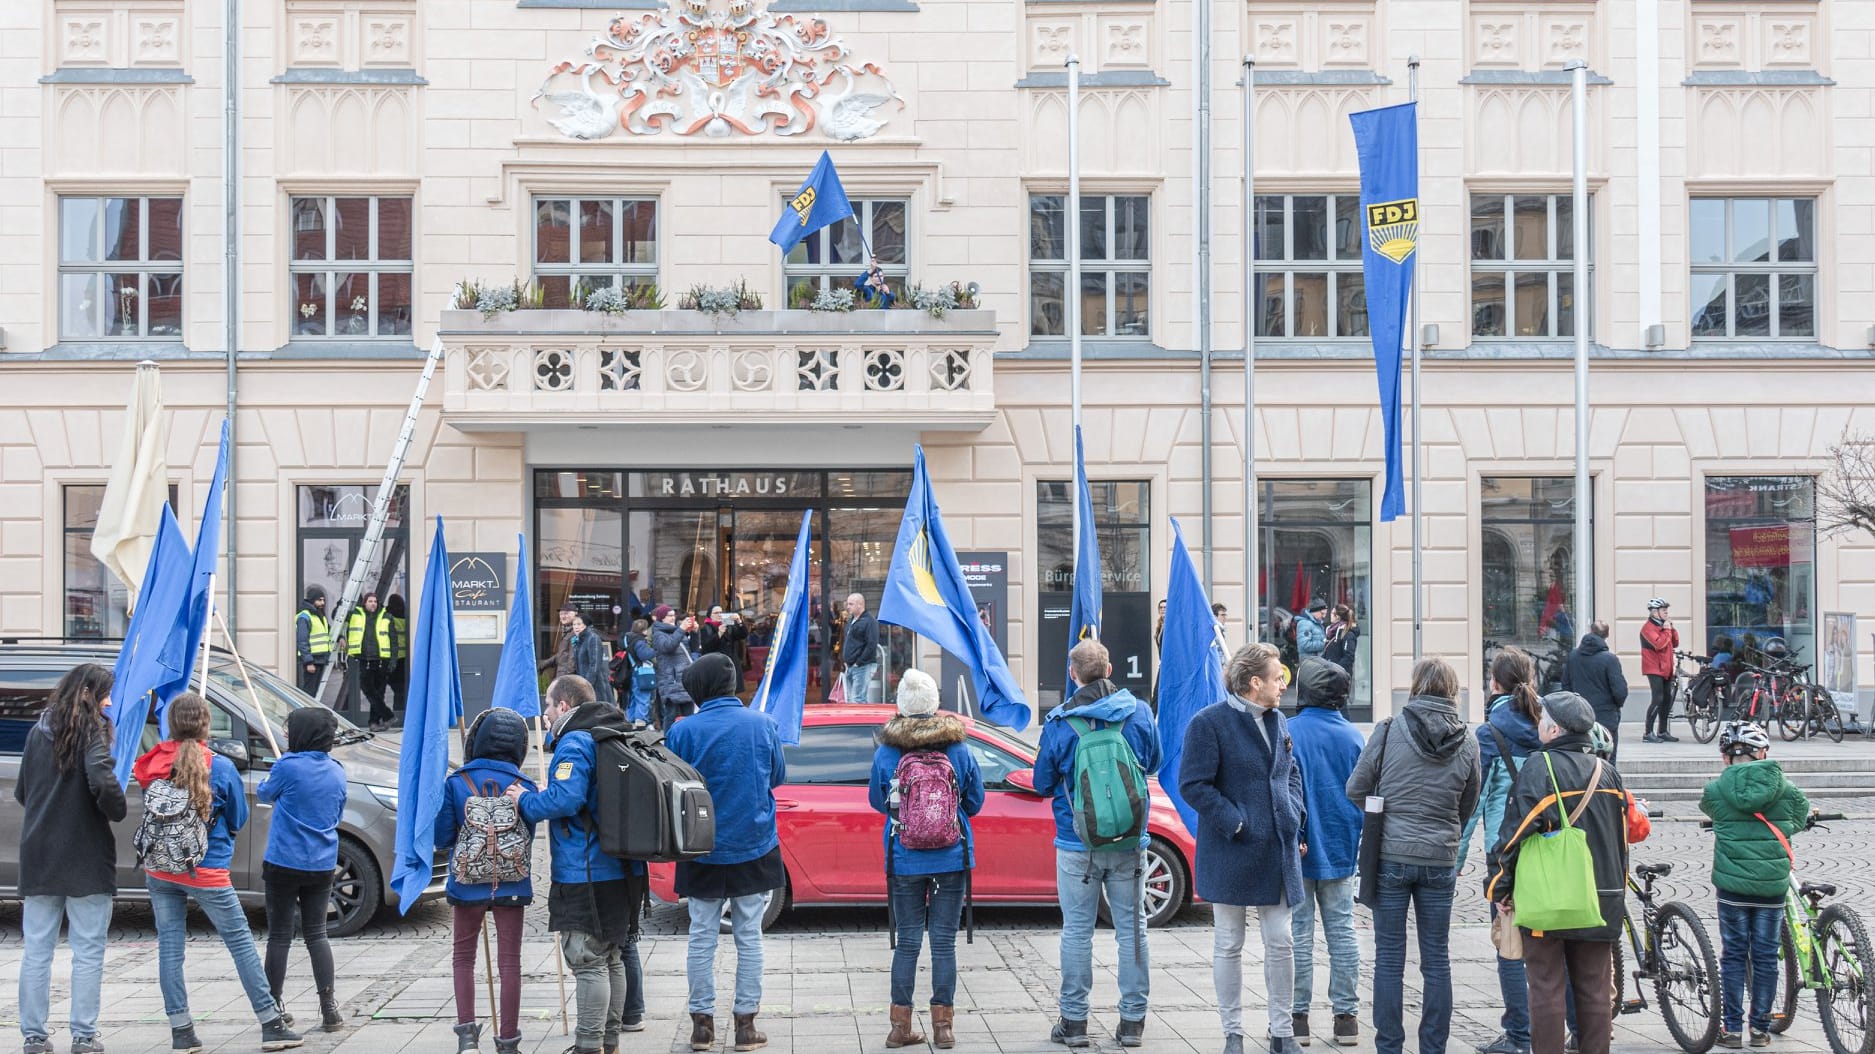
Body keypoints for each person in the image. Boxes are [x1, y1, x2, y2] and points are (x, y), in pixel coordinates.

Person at [136, 692, 302, 1052]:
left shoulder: (151, 763)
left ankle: (182, 1032)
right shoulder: (220, 766)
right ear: (206, 725)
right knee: (239, 943)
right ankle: (271, 1023)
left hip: (160, 867)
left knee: (170, 948)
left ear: (171, 725)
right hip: (207, 868)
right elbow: (239, 818)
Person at [1344, 657, 1480, 1054]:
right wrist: (1445, 827)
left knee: (1388, 957)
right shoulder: (1468, 740)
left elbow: (1356, 788)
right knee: (1436, 958)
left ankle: (1389, 1046)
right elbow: (1468, 802)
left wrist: (1384, 809)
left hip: (1390, 855)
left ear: (1416, 687)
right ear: (1453, 692)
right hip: (1440, 858)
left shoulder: (1388, 731)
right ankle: (1433, 1047)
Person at [1032, 638, 1162, 1049]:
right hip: (1129, 841)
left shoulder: (1058, 722)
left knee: (1077, 932)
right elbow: (1155, 762)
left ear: (1073, 676)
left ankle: (1073, 1024)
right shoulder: (1138, 712)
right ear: (1109, 670)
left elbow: (1040, 783)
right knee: (1133, 929)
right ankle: (1132, 1024)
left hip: (1076, 843)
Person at [1487, 692, 1633, 1054]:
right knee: (1595, 988)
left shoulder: (1541, 768)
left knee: (1547, 986)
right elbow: (1622, 841)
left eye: (1542, 718)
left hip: (1551, 899)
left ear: (1554, 729)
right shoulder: (1608, 771)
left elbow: (1512, 837)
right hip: (1602, 899)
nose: (1538, 723)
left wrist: (1499, 889)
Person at [1180, 641, 1307, 1054]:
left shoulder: (1280, 721)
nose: (1283, 685)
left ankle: (1282, 1033)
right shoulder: (1208, 723)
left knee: (1281, 941)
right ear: (1255, 683)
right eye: (1278, 678)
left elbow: (1290, 774)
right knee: (1229, 943)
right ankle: (1232, 1034)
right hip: (1231, 849)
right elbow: (1193, 785)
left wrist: (1294, 814)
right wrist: (1235, 821)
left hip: (1277, 849)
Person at [513, 676, 646, 1054]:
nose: (545, 713)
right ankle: (609, 1041)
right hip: (623, 867)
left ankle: (588, 1045)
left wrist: (525, 800)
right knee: (612, 956)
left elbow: (566, 801)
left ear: (565, 707)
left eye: (549, 706)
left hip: (586, 870)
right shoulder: (613, 732)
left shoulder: (575, 741)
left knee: (587, 960)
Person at [667, 653, 787, 1054]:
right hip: (753, 842)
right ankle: (746, 1026)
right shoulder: (762, 724)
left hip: (700, 846)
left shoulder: (683, 730)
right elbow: (777, 776)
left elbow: (673, 785)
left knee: (701, 935)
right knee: (749, 935)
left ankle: (702, 1026)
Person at [867, 669, 985, 1050]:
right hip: (951, 856)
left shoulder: (888, 750)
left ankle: (900, 1028)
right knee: (944, 943)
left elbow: (875, 801)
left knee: (907, 943)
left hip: (904, 856)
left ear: (901, 704)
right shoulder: (958, 747)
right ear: (935, 704)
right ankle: (943, 1028)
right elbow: (976, 801)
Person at [15, 664, 126, 1054]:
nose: (109, 701)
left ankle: (33, 1035)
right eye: (105, 694)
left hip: (40, 851)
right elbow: (100, 777)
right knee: (89, 949)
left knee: (37, 949)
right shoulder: (92, 733)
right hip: (86, 853)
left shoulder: (37, 731)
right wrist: (116, 808)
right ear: (87, 694)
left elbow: (22, 792)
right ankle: (83, 1035)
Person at [1457, 649, 1547, 1054]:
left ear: (1494, 683)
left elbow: (1472, 804)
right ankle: (1579, 1027)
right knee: (1559, 941)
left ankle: (1519, 1035)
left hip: (1507, 852)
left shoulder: (1489, 732)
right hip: (1555, 848)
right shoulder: (1552, 724)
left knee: (1510, 944)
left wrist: (1455, 860)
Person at [1700, 722, 1810, 1049]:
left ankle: (1731, 1029)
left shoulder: (1716, 790)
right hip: (1771, 888)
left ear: (1724, 757)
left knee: (1734, 955)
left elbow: (1708, 810)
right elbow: (1800, 817)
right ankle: (1760, 1029)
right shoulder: (1785, 788)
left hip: (1731, 888)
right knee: (1764, 956)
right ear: (1763, 753)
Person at [438, 707, 539, 1054]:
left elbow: (441, 837)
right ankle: (508, 1041)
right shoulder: (525, 786)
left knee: (462, 958)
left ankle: (467, 1038)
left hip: (467, 883)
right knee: (510, 962)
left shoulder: (456, 781)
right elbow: (529, 835)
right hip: (513, 882)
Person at [1286, 657, 1365, 1048]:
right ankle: (1346, 1018)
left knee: (1299, 932)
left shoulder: (1287, 732)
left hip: (1298, 848)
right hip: (1340, 845)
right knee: (1342, 930)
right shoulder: (1353, 737)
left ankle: (1298, 1017)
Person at [257, 706, 346, 1034]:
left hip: (283, 861)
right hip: (321, 862)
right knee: (317, 934)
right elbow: (337, 811)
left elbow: (266, 792)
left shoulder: (287, 766)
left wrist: (276, 771)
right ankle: (329, 1008)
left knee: (280, 936)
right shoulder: (337, 771)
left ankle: (274, 1005)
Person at [1561, 620, 1630, 759]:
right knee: (1607, 761)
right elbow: (1620, 691)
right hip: (1606, 716)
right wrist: (1615, 706)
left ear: (1590, 631)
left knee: (1580, 759)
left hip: (1578, 716)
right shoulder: (1610, 659)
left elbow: (1566, 685)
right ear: (1607, 635)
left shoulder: (1573, 656)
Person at [345, 592, 401, 730]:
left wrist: (393, 661)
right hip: (364, 659)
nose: (373, 604)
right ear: (364, 603)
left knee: (379, 693)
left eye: (375, 601)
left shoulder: (386, 617)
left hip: (382, 660)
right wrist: (343, 601)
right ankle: (387, 715)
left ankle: (374, 723)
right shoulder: (355, 615)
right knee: (368, 689)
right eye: (370, 601)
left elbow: (394, 641)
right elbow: (337, 616)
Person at [1640, 599, 1681, 744]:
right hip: (1654, 668)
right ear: (1654, 612)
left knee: (1667, 700)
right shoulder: (1647, 628)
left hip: (1667, 668)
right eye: (1663, 610)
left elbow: (1675, 642)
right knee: (1657, 699)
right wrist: (1667, 630)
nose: (1666, 613)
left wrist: (1671, 628)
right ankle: (1648, 732)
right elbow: (1659, 644)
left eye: (1666, 610)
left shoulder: (1665, 627)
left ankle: (1662, 731)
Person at [651, 605, 698, 728]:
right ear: (662, 618)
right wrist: (681, 629)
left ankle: (688, 741)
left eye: (673, 615)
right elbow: (668, 646)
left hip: (684, 678)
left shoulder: (677, 631)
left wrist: (695, 633)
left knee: (689, 715)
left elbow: (693, 649)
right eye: (669, 616)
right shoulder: (658, 633)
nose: (673, 618)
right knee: (671, 714)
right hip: (670, 680)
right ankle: (669, 742)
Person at [569, 611, 616, 705]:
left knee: (601, 710)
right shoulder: (578, 640)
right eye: (574, 624)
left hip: (596, 683)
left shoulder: (593, 638)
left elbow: (595, 664)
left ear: (586, 625)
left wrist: (587, 684)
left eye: (579, 624)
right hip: (583, 683)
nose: (576, 627)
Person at [618, 619, 658, 727]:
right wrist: (655, 650)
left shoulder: (628, 639)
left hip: (632, 672)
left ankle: (630, 720)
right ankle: (640, 721)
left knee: (633, 698)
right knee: (643, 698)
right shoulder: (639, 641)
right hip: (642, 673)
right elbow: (644, 655)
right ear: (643, 630)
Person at [294, 585, 332, 697]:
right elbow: (302, 640)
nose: (323, 603)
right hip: (312, 659)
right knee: (309, 692)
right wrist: (308, 662)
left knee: (314, 691)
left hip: (319, 658)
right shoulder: (304, 616)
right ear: (312, 600)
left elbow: (328, 630)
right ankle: (307, 713)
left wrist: (339, 637)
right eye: (319, 600)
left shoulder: (319, 615)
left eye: (323, 600)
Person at [843, 593, 880, 704]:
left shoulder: (870, 621)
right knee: (851, 699)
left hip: (862, 666)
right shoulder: (852, 620)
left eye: (851, 604)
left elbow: (871, 645)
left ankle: (861, 721)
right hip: (850, 666)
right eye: (847, 603)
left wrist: (859, 662)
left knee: (858, 699)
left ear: (860, 605)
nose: (848, 606)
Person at [385, 593, 410, 715]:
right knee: (401, 690)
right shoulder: (407, 617)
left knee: (393, 688)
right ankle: (400, 712)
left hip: (392, 657)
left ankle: (396, 712)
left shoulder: (389, 619)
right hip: (405, 658)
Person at [1321, 605, 1359, 675]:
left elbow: (1348, 657)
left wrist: (1335, 669)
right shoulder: (1333, 631)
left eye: (1332, 613)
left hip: (1339, 675)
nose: (1330, 615)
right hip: (1330, 674)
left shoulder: (1348, 634)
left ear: (1338, 616)